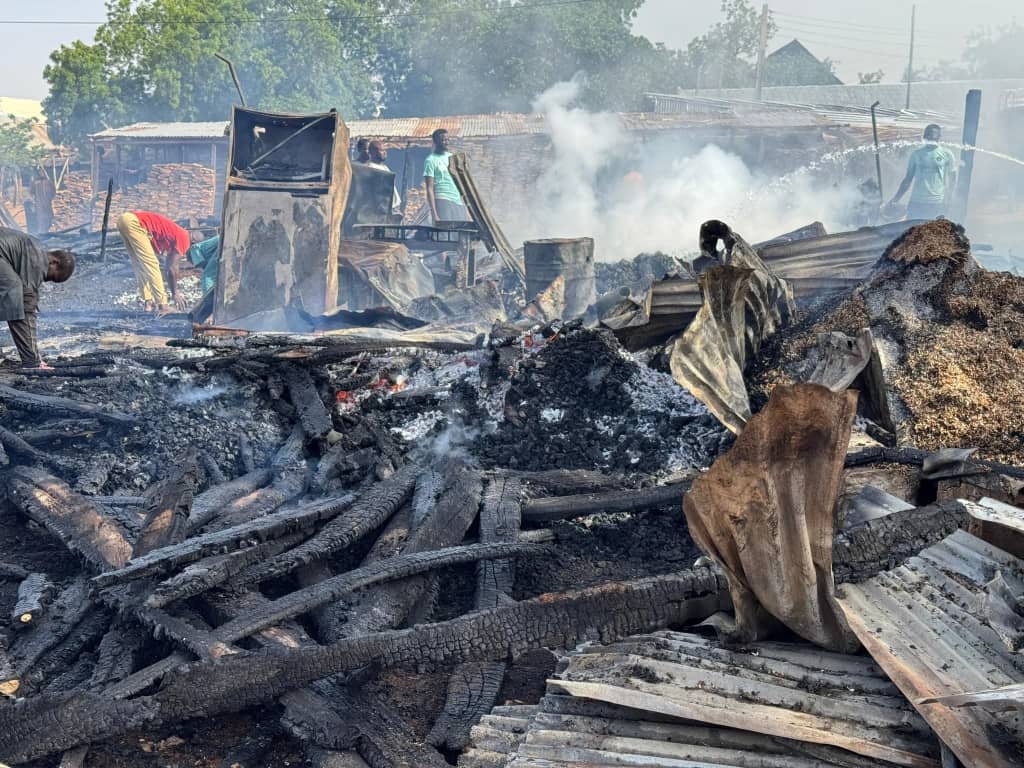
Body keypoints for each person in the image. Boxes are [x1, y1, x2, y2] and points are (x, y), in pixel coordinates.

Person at [0, 228, 74, 368]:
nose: (45, 280)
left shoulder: (32, 248)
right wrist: (33, 360)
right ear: (54, 262)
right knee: (14, 291)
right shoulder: (37, 260)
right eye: (52, 277)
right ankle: (30, 361)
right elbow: (25, 304)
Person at [116, 211, 193, 313]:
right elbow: (171, 268)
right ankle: (163, 306)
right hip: (135, 222)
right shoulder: (185, 238)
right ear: (194, 243)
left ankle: (148, 303)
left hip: (124, 219)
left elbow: (168, 265)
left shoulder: (176, 234)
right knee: (152, 264)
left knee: (140, 264)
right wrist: (175, 294)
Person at [888, 124, 958, 220]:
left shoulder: (947, 154)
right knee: (912, 232)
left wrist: (948, 199)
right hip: (916, 201)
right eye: (929, 134)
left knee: (932, 232)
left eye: (934, 134)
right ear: (924, 136)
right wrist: (896, 199)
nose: (931, 137)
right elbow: (907, 180)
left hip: (936, 202)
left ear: (939, 137)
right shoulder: (916, 154)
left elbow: (952, 179)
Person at [423, 128, 469, 223]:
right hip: (442, 200)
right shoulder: (431, 160)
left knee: (459, 233)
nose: (446, 142)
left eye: (448, 140)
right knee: (445, 233)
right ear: (436, 142)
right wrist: (434, 213)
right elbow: (429, 188)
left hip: (457, 201)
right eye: (443, 140)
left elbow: (460, 184)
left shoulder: (452, 158)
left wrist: (466, 210)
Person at [366, 140, 401, 213]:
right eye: (382, 150)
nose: (385, 152)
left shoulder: (384, 167)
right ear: (373, 152)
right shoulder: (371, 168)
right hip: (383, 211)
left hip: (392, 209)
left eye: (385, 150)